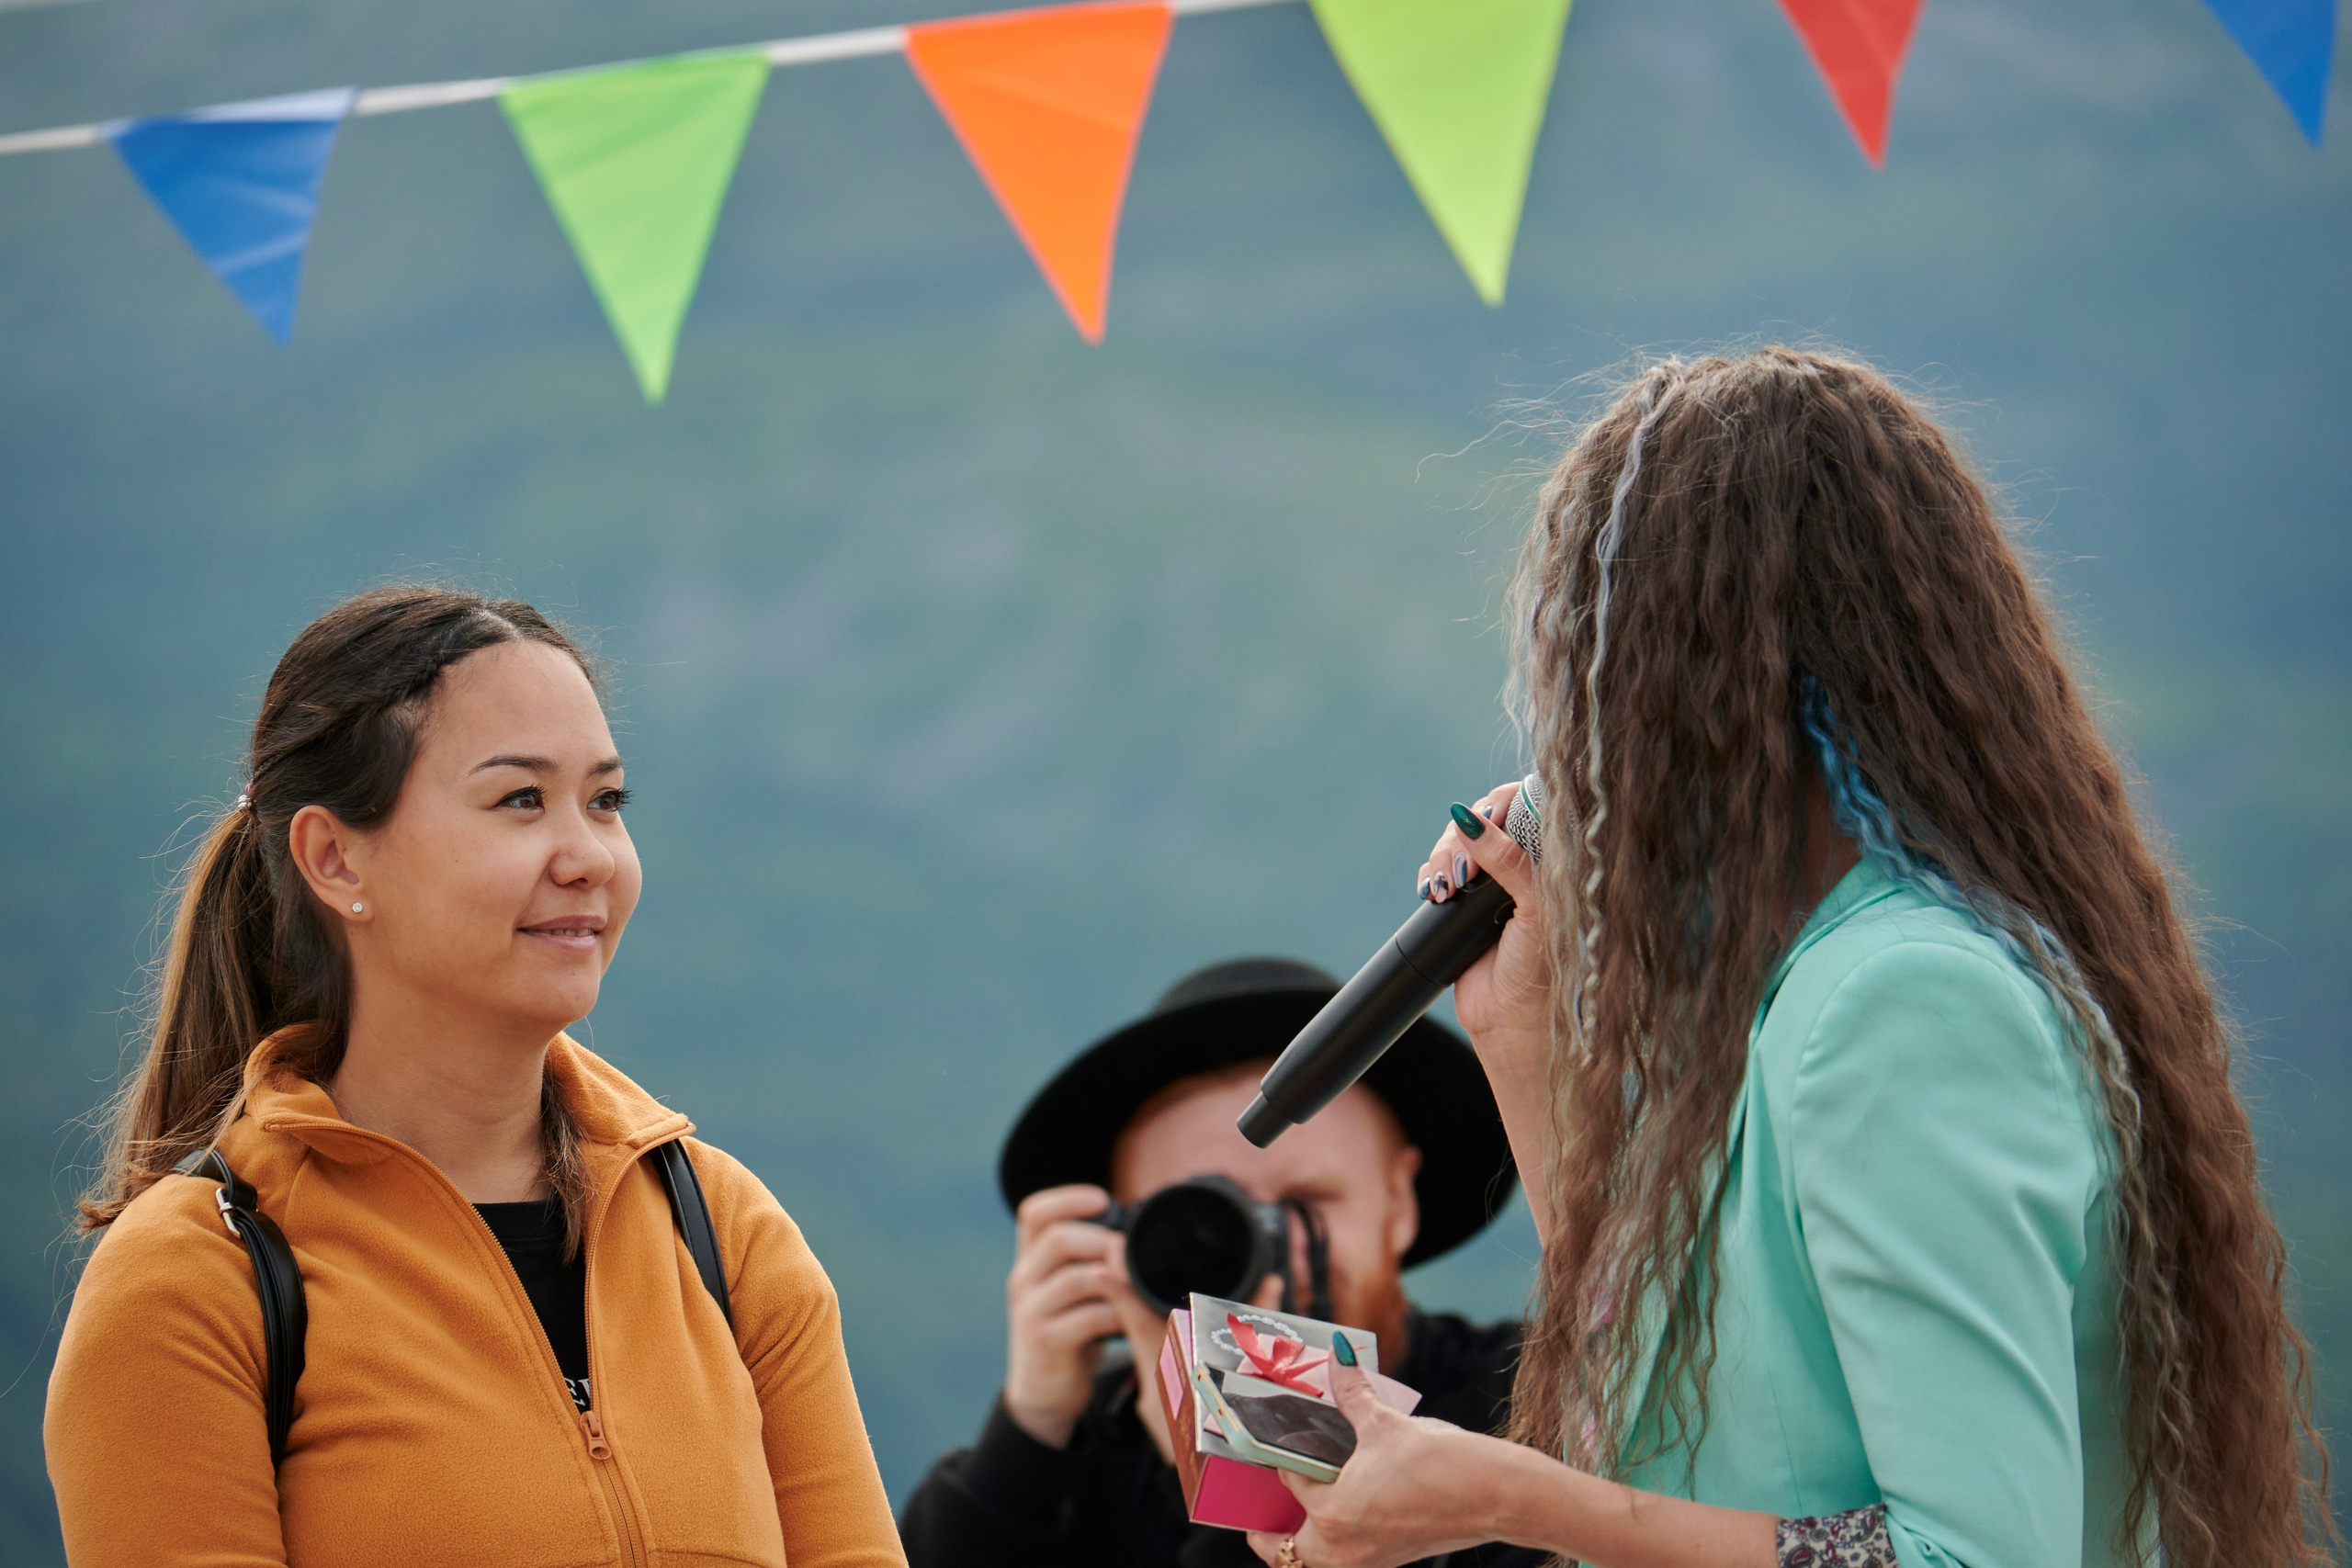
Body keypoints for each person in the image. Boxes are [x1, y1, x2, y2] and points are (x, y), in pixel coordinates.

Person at [1245, 350, 2335, 1568]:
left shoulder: (1901, 1000)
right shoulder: (1782, 998)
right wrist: (1524, 1038)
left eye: (1599, 671)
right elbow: (1668, 1416)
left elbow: (1974, 1554)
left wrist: (1502, 1492)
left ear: (1701, 683)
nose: (1576, 736)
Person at [45, 586, 906, 1568]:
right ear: (333, 858)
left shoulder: (724, 1234)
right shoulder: (197, 1282)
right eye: (520, 800)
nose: (588, 857)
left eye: (606, 801)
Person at [899, 957, 1545, 1568]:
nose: (1266, 1246)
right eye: (1209, 1217)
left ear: (1400, 1201)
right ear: (1123, 1232)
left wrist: (1240, 1446)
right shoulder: (1078, 1458)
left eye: (1307, 1203)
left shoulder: (1533, 1407)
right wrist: (1031, 1430)